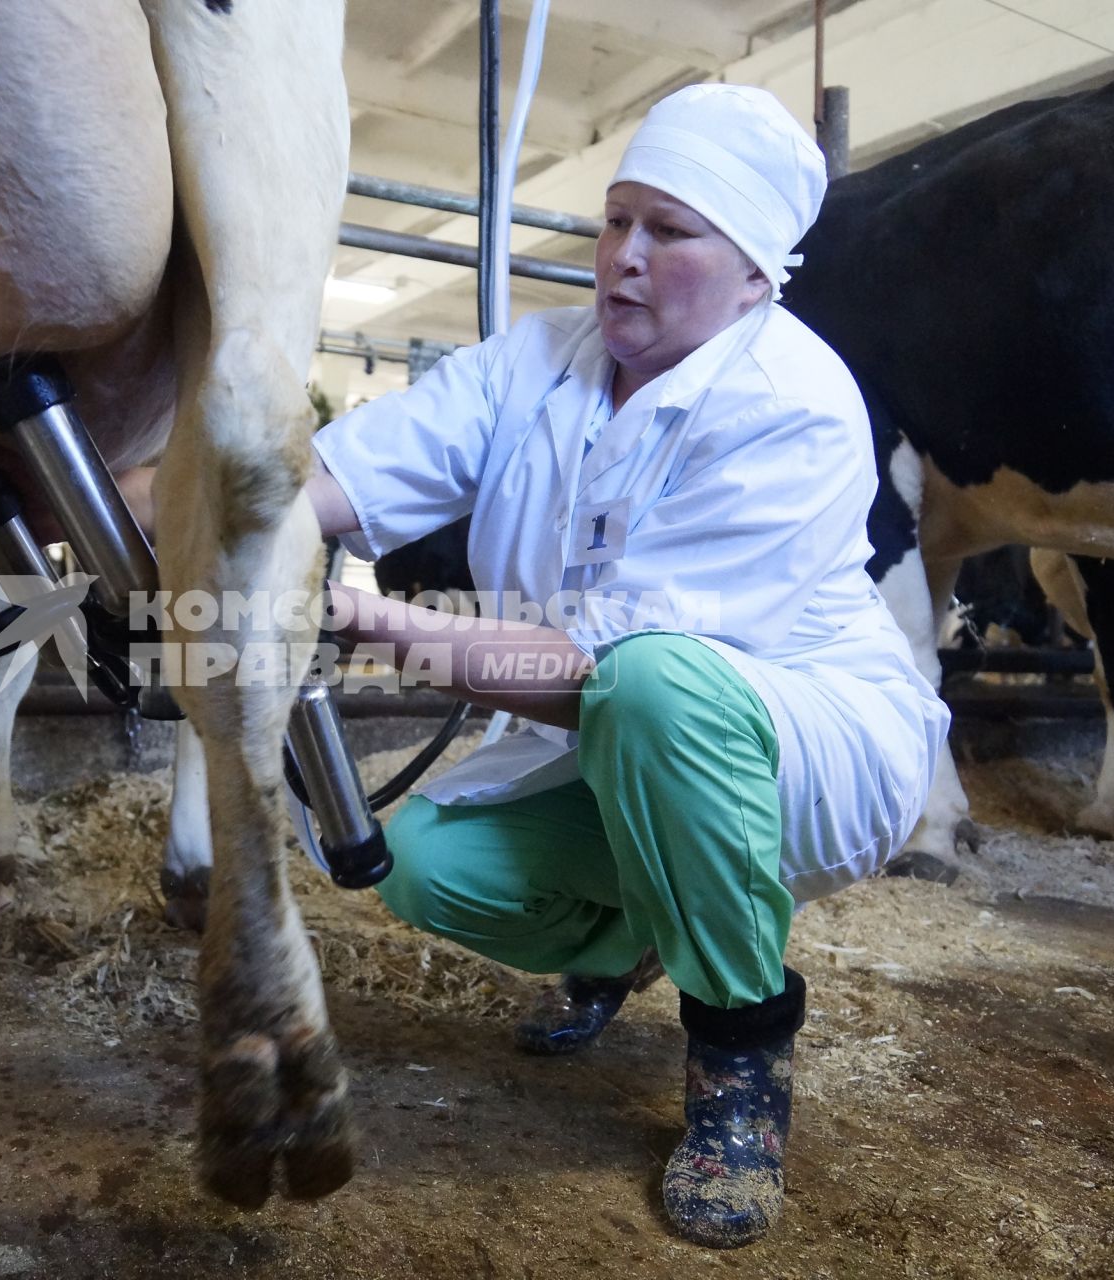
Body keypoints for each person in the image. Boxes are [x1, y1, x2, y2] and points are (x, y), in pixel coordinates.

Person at [121, 84, 947, 1248]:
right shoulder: (536, 362)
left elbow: (592, 672)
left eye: (669, 231)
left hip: (799, 756)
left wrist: (364, 616)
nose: (621, 257)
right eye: (615, 220)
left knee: (653, 684)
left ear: (755, 269)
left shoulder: (793, 404)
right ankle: (640, 934)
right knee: (412, 858)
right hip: (619, 744)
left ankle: (739, 1056)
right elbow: (330, 485)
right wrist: (174, 503)